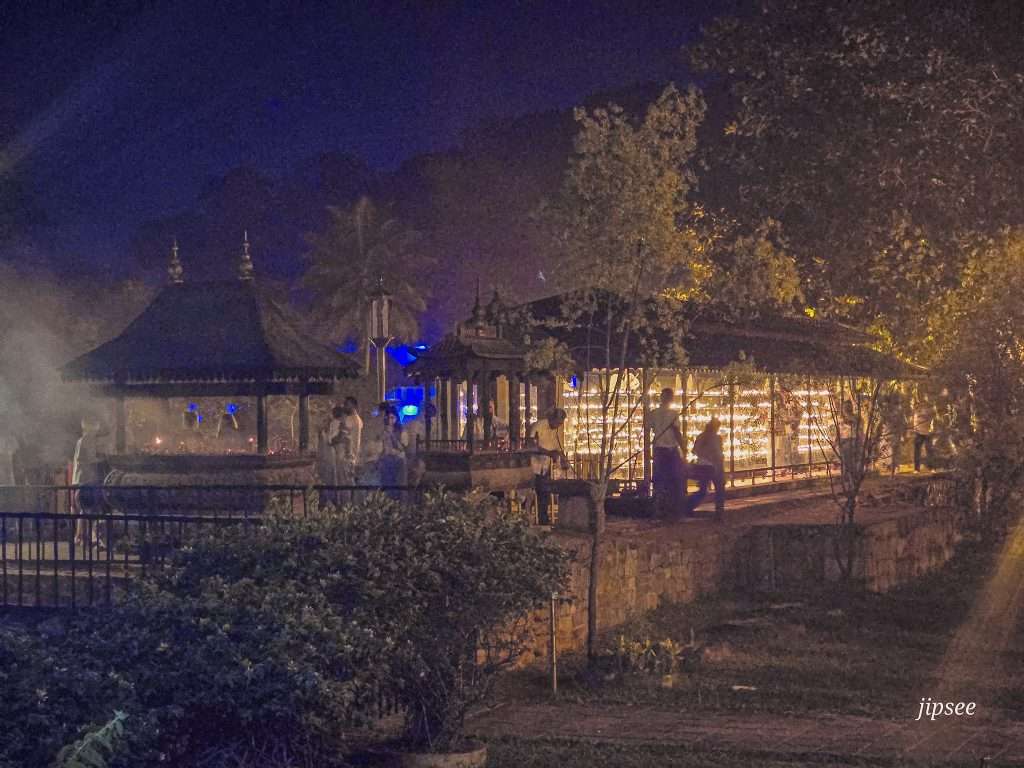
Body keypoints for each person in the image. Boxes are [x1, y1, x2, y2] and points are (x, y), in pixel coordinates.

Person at [648, 387, 688, 518]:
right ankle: (674, 509)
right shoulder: (673, 414)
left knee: (659, 480)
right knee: (675, 479)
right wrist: (684, 448)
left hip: (659, 450)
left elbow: (649, 427)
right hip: (670, 450)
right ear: (671, 399)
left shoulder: (654, 413)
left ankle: (657, 509)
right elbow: (677, 432)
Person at [528, 408, 567, 525]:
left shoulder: (554, 430)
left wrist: (562, 458)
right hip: (534, 464)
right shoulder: (539, 426)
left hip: (545, 466)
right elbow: (531, 444)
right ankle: (536, 517)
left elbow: (556, 447)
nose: (558, 426)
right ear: (552, 418)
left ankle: (543, 519)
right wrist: (549, 453)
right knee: (538, 492)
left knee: (544, 493)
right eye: (558, 423)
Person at [71, 417, 105, 548]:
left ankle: (81, 537)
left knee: (84, 511)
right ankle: (84, 537)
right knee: (87, 509)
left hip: (83, 478)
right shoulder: (87, 439)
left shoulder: (83, 440)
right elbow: (86, 459)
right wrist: (101, 459)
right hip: (86, 479)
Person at [688, 418, 726, 518]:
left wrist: (704, 455)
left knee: (703, 490)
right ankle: (719, 512)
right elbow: (718, 453)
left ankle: (688, 506)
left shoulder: (701, 436)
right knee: (719, 489)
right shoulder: (717, 438)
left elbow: (694, 450)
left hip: (702, 466)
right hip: (714, 466)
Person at [912, 393, 936, 472]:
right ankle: (916, 468)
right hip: (918, 431)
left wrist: (931, 428)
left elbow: (933, 418)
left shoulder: (931, 407)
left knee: (929, 450)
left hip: (928, 431)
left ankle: (931, 467)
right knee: (917, 451)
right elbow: (915, 418)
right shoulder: (917, 407)